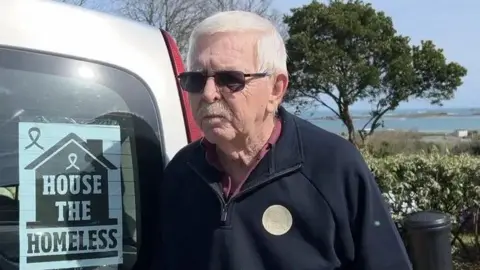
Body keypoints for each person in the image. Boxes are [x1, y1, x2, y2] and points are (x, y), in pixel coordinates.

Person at [157, 10, 412, 270]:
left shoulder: (332, 166)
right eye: (196, 80)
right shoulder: (182, 174)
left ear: (276, 89)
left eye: (229, 80)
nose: (209, 94)